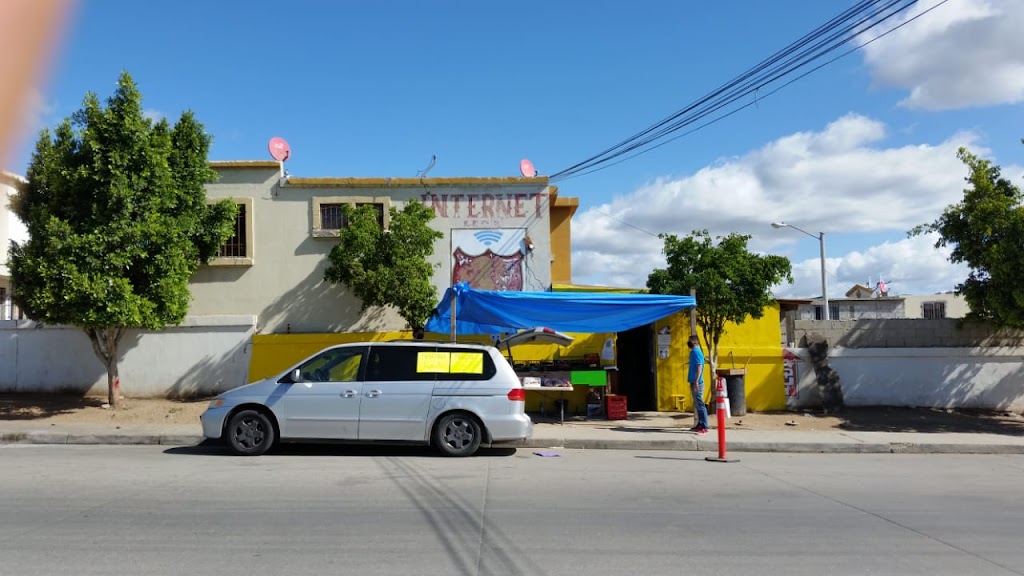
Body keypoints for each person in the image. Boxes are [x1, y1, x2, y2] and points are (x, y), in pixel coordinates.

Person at [687, 335, 709, 435]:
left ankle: (705, 426)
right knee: (697, 405)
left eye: (690, 341)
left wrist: (696, 380)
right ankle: (700, 424)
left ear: (694, 342)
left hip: (697, 383)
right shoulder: (693, 352)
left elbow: (699, 366)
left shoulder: (696, 352)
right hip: (693, 381)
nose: (688, 342)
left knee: (700, 405)